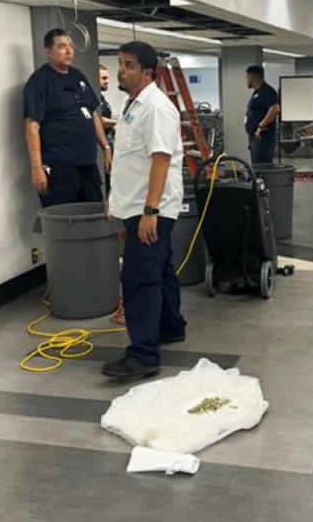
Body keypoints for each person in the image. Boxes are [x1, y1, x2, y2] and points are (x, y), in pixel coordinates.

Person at [102, 40, 186, 380]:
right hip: (136, 204)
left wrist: (149, 211)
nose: (122, 70)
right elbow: (128, 159)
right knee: (161, 270)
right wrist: (116, 199)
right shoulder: (133, 104)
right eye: (121, 64)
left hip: (150, 209)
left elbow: (161, 159)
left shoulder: (156, 108)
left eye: (129, 65)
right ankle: (170, 327)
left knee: (139, 279)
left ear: (148, 72)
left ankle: (144, 354)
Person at [23, 29, 111, 208]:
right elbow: (32, 126)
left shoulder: (78, 76)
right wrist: (37, 168)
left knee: (93, 215)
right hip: (59, 166)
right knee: (65, 220)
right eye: (62, 46)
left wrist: (106, 147)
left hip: (86, 164)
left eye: (70, 46)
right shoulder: (39, 82)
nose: (69, 51)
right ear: (48, 51)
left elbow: (93, 114)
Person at [244, 65, 280, 165]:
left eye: (247, 77)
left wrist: (260, 126)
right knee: (257, 166)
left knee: (262, 167)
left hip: (263, 137)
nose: (246, 80)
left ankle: (264, 181)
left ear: (253, 77)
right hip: (255, 137)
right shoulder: (257, 92)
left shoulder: (267, 91)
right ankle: (258, 180)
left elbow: (275, 109)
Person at [98, 64, 116, 148]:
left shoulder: (101, 98)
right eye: (104, 78)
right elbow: (99, 121)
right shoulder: (92, 99)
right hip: (101, 145)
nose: (107, 81)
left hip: (109, 142)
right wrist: (120, 122)